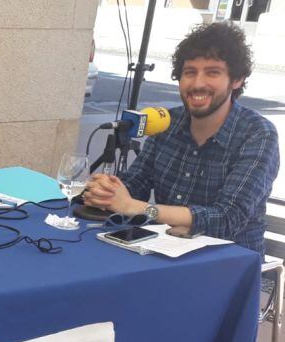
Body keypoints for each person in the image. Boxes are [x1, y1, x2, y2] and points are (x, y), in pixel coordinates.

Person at [84, 22, 278, 257]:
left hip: (229, 264)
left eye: (212, 72)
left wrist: (137, 208)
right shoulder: (168, 121)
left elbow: (227, 219)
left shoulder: (258, 134)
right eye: (190, 72)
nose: (197, 83)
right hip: (161, 249)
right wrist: (108, 191)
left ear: (236, 80)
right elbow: (137, 184)